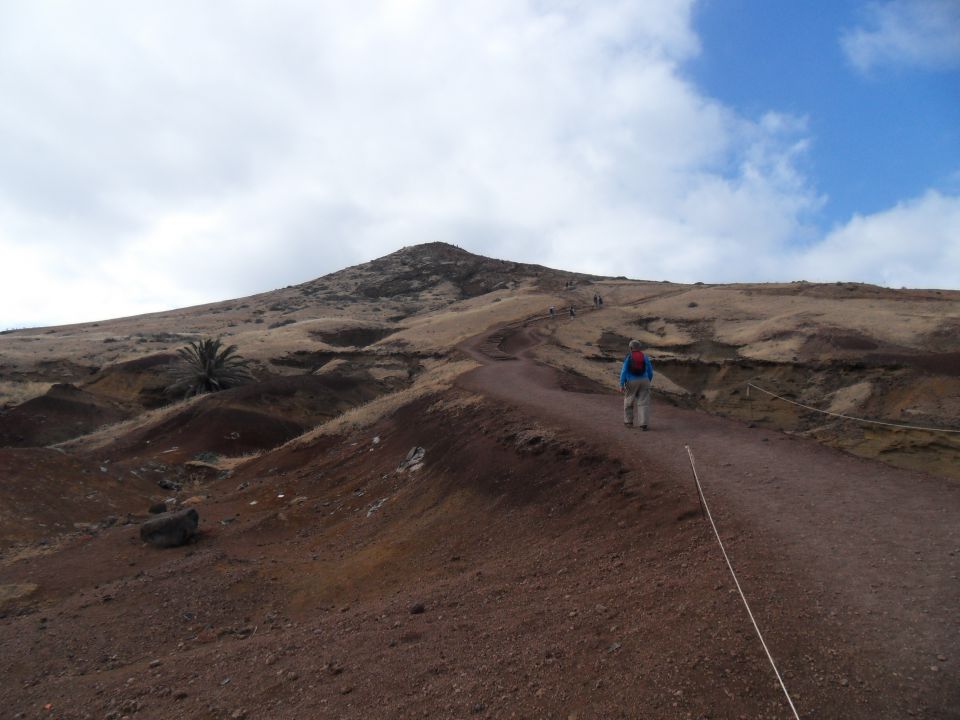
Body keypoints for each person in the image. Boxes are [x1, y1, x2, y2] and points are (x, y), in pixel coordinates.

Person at [619, 340, 653, 430]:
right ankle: (643, 424)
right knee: (643, 403)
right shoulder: (644, 357)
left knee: (628, 401)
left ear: (630, 348)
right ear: (639, 348)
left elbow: (624, 371)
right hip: (644, 381)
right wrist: (648, 380)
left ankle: (628, 422)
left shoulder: (628, 357)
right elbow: (650, 370)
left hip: (631, 381)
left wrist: (621, 384)